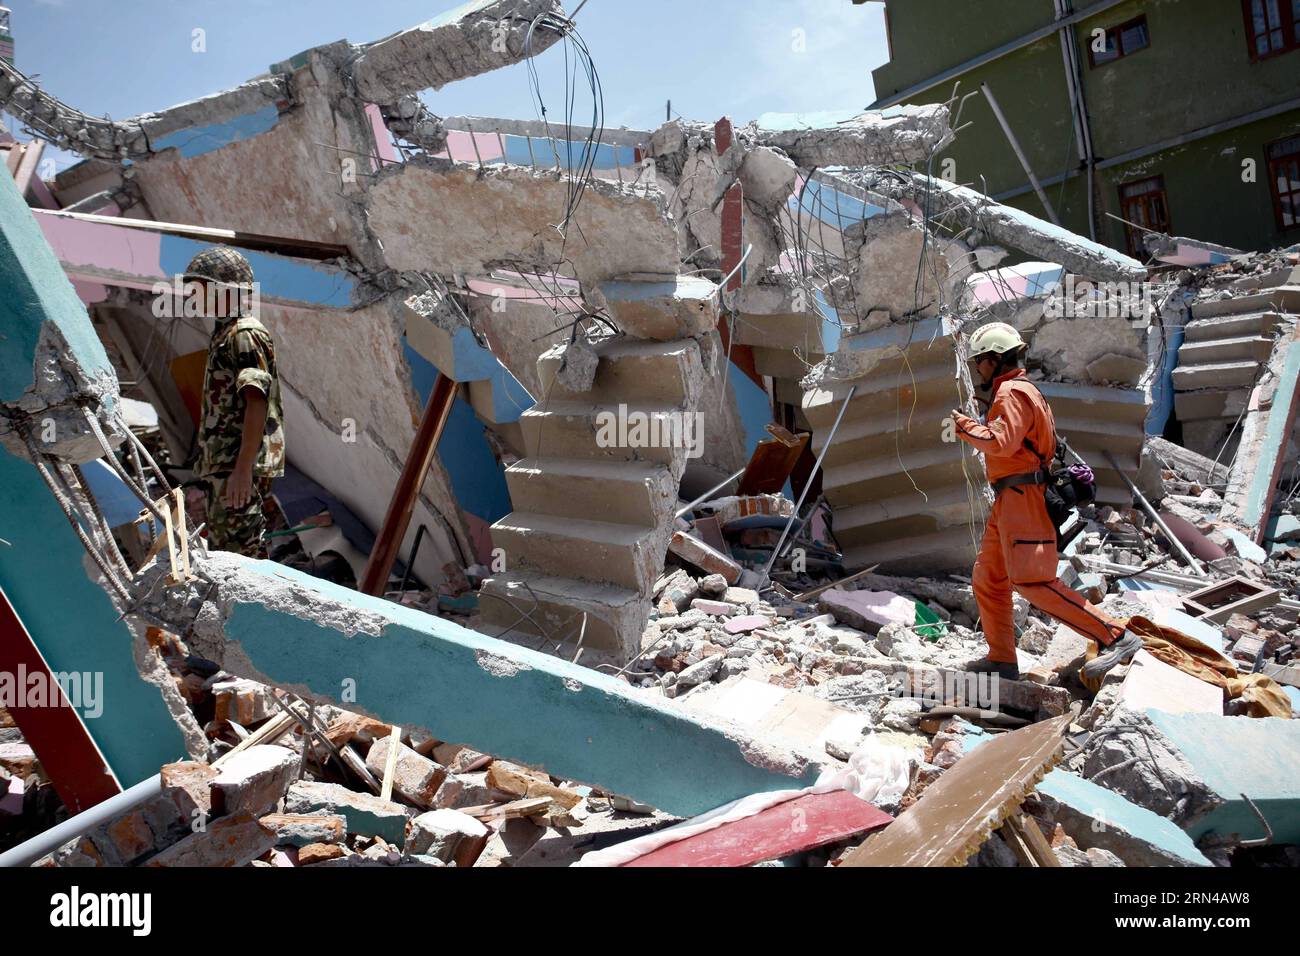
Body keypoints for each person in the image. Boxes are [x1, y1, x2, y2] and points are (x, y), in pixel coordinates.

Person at [950, 322, 1141, 681]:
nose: (977, 369)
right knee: (989, 578)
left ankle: (1116, 636)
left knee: (1031, 580)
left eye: (980, 361)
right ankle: (1002, 660)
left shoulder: (1012, 394)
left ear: (993, 359)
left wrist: (964, 427)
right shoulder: (1019, 392)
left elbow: (1001, 443)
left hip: (1023, 497)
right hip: (1010, 498)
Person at [185, 246, 285, 559]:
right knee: (229, 552)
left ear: (222, 289)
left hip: (236, 468)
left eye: (197, 289)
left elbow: (256, 400)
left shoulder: (244, 334)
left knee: (241, 557)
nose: (191, 297)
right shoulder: (224, 333)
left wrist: (242, 470)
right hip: (225, 468)